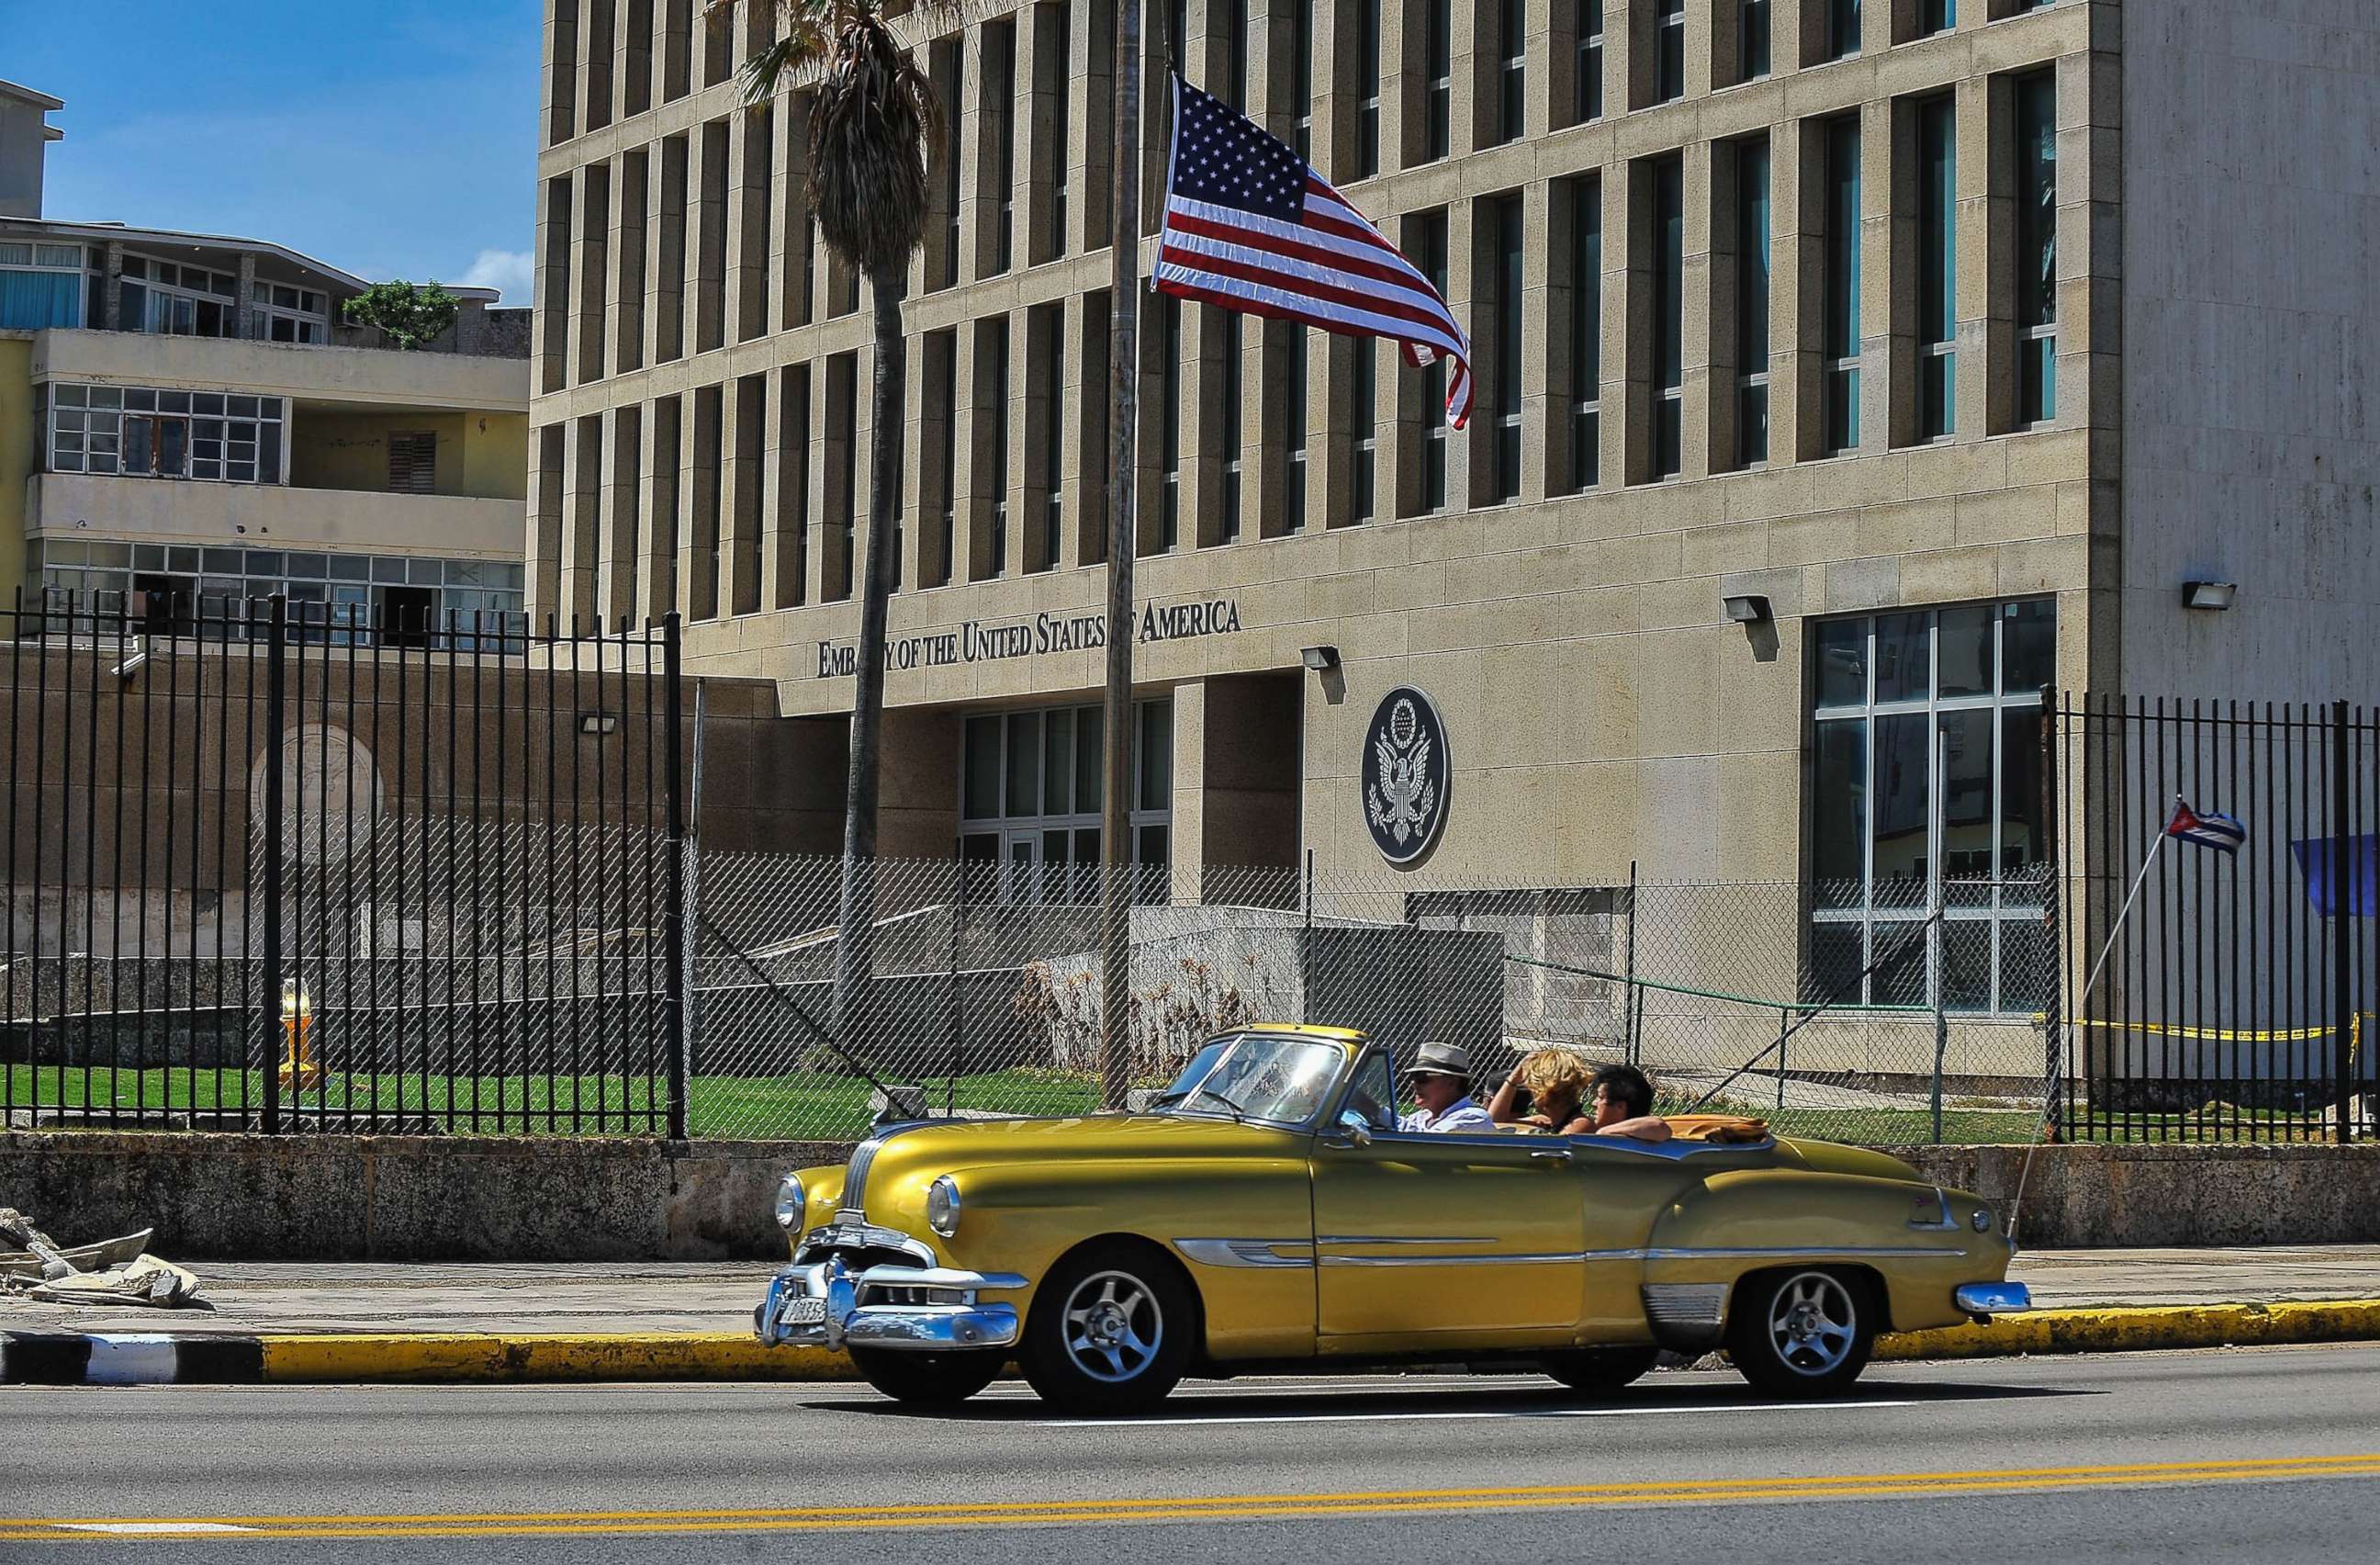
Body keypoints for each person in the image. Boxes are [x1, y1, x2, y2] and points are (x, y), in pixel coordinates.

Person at [1488, 1051, 1672, 1142]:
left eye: (1533, 1086)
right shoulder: (1547, 1121)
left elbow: (1659, 1125)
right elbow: (1493, 1123)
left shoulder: (1580, 1127)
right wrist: (1514, 1077)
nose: (1593, 1103)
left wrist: (1602, 1133)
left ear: (1546, 1091)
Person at [1395, 1041, 1494, 1132]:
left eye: (1422, 1077)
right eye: (1414, 1076)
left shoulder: (1474, 1117)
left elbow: (1432, 1143)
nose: (1413, 1083)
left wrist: (1384, 1115)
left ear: (1451, 1082)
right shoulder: (1420, 1117)